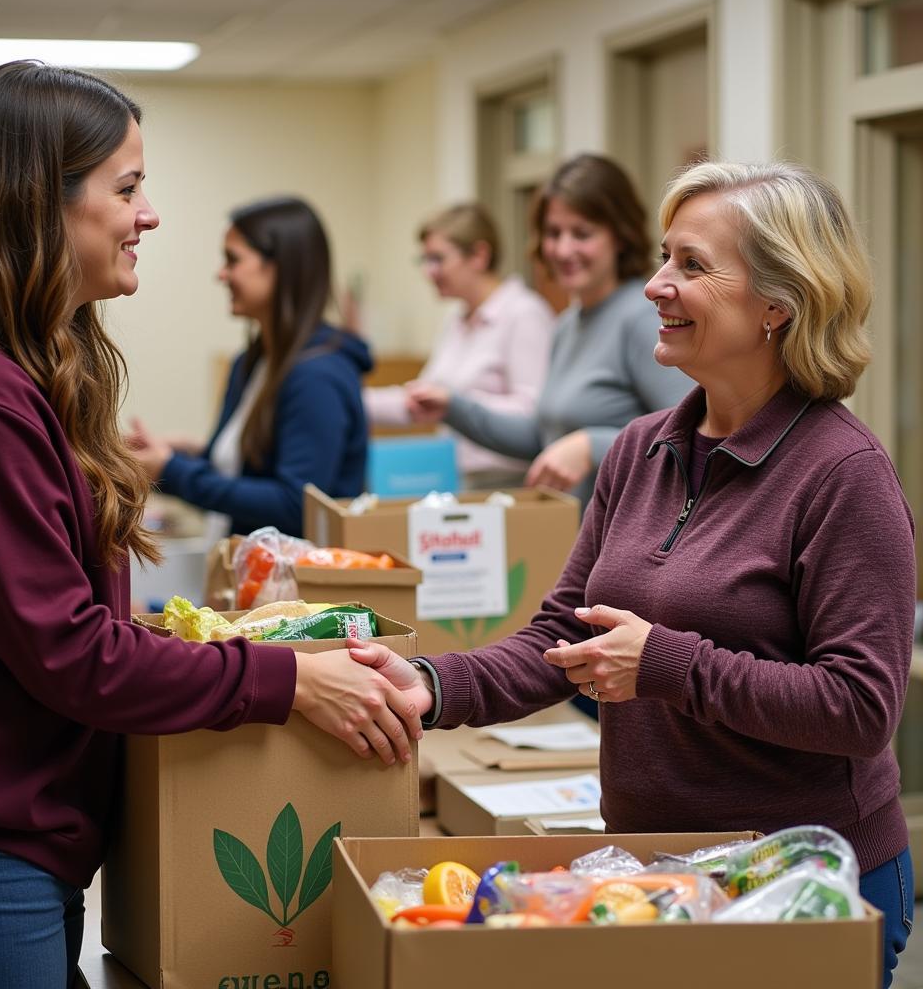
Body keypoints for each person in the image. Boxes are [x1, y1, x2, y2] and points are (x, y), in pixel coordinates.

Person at [0, 61, 420, 989]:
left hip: (12, 851)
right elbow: (67, 653)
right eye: (128, 188)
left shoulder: (18, 373)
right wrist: (285, 683)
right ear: (36, 203)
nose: (150, 215)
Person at [355, 160, 916, 986]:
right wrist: (430, 685)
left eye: (691, 265)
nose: (656, 285)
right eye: (663, 257)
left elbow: (862, 708)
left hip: (795, 890)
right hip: (654, 874)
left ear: (778, 302)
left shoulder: (843, 473)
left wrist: (665, 663)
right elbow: (561, 635)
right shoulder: (642, 447)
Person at [407, 154, 693, 509]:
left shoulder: (642, 318)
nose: (563, 249)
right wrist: (453, 407)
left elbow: (689, 438)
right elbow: (544, 438)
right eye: (553, 233)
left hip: (630, 540)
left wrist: (593, 445)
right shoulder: (567, 325)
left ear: (620, 236)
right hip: (579, 538)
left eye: (582, 234)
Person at [127, 195, 371, 538]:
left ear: (281, 267)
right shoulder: (252, 363)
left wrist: (171, 469)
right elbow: (231, 482)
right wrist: (164, 460)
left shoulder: (319, 375)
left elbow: (296, 505)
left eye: (233, 260)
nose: (221, 274)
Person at [364, 202, 554, 489]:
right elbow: (421, 400)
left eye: (438, 259)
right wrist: (350, 400)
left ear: (479, 255)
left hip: (510, 486)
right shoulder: (457, 319)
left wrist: (456, 405)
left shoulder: (525, 314)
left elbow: (533, 414)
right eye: (424, 260)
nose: (429, 271)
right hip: (456, 480)